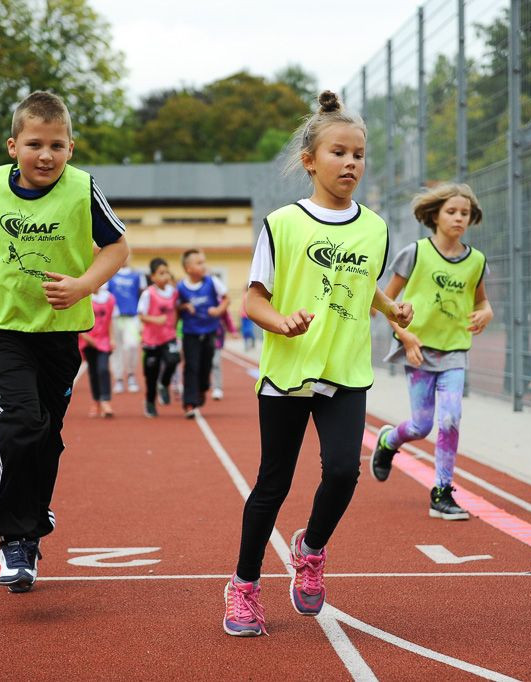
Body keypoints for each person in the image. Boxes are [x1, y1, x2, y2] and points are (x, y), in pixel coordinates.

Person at [222, 91, 413, 637]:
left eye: (359, 154)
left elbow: (364, 284)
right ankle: (244, 587)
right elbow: (253, 299)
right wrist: (281, 322)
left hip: (345, 371)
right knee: (273, 484)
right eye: (339, 153)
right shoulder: (282, 224)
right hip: (288, 372)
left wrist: (392, 311)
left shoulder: (374, 228)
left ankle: (310, 549)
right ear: (310, 161)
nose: (351, 163)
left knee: (344, 470)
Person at [0, 91, 129, 593]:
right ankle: (14, 537)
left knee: (47, 434)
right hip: (0, 325)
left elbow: (118, 247)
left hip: (59, 329)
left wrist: (83, 285)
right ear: (13, 146)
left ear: (71, 148)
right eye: (35, 144)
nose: (46, 155)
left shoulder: (82, 189)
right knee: (22, 420)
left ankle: (32, 525)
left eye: (57, 145)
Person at [369, 183, 492, 520]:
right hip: (419, 350)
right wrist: (405, 337)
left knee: (450, 418)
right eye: (451, 212)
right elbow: (386, 304)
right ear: (435, 215)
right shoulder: (415, 253)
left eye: (465, 213)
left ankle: (442, 491)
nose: (459, 218)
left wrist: (487, 312)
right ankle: (388, 441)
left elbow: (482, 301)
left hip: (455, 352)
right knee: (421, 426)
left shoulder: (476, 261)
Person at [176, 250, 229, 418]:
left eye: (203, 262)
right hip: (190, 333)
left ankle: (203, 388)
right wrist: (184, 307)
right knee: (191, 366)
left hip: (210, 331)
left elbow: (226, 298)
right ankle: (189, 403)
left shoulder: (212, 282)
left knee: (206, 365)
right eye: (199, 263)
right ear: (188, 268)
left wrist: (218, 310)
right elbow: (176, 307)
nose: (203, 266)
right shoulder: (181, 287)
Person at [138, 257, 180, 417]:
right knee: (151, 375)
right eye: (161, 273)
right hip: (152, 340)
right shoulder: (148, 294)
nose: (166, 276)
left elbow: (176, 309)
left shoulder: (173, 292)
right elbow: (141, 316)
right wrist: (156, 320)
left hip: (169, 336)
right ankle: (150, 402)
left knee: (174, 359)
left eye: (167, 272)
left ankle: (164, 383)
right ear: (153, 277)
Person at [108, 261, 147, 394]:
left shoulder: (137, 275)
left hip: (132, 317)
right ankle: (118, 378)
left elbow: (143, 294)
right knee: (116, 348)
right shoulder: (110, 275)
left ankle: (131, 375)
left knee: (132, 346)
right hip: (115, 317)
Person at [80, 284, 116, 418]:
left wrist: (112, 338)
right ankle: (96, 401)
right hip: (88, 341)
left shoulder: (109, 298)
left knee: (103, 369)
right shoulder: (83, 297)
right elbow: (78, 320)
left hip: (104, 341)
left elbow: (110, 320)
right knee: (93, 372)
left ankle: (106, 401)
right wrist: (85, 337)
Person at [210, 307, 237, 400]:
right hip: (201, 337)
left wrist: (232, 331)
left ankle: (217, 388)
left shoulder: (221, 303)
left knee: (216, 363)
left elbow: (227, 318)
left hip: (216, 338)